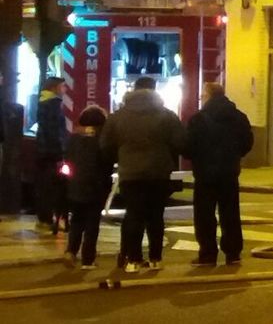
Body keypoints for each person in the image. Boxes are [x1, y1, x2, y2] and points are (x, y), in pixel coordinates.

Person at [101, 76, 186, 273]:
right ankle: (155, 258)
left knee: (134, 215)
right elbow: (181, 143)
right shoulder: (167, 116)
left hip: (130, 173)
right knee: (156, 216)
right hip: (158, 173)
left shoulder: (118, 116)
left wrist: (121, 158)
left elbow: (105, 146)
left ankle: (134, 259)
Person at [184, 82, 253, 267]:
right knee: (230, 213)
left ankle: (207, 254)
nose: (201, 99)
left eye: (202, 96)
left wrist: (197, 157)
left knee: (204, 215)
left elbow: (188, 146)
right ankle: (233, 253)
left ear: (208, 96)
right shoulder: (239, 117)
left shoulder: (198, 119)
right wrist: (234, 156)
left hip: (205, 173)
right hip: (229, 172)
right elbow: (247, 142)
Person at [63, 105, 112, 269]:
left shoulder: (74, 138)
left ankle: (70, 251)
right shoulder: (102, 140)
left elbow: (67, 159)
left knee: (76, 220)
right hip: (96, 186)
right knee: (92, 223)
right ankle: (88, 259)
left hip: (75, 184)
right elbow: (107, 162)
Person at [34, 77, 69, 234]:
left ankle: (43, 218)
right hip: (52, 152)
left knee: (43, 185)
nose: (65, 90)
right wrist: (62, 152)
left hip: (42, 151)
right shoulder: (53, 104)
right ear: (55, 88)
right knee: (53, 186)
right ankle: (50, 218)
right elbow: (56, 131)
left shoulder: (41, 101)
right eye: (62, 86)